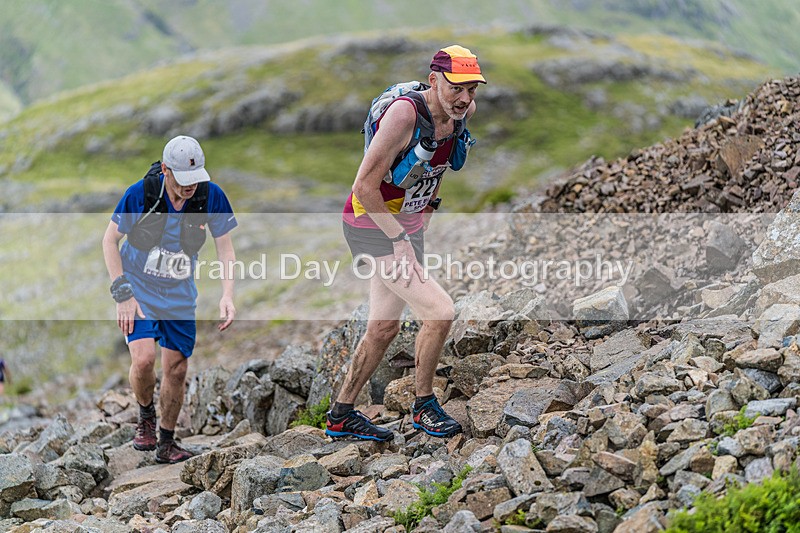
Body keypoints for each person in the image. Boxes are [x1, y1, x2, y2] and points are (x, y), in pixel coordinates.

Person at [330, 45, 486, 441]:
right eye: (456, 88)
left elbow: (440, 163)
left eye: (472, 89)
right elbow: (363, 186)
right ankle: (423, 406)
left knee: (382, 328)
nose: (465, 98)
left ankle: (340, 415)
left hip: (406, 225)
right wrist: (399, 238)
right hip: (372, 224)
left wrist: (430, 203)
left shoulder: (460, 115)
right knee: (440, 311)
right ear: (434, 81)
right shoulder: (404, 115)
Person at [102, 135, 237, 463]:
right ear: (165, 170)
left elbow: (225, 247)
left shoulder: (209, 195)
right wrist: (122, 294)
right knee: (145, 359)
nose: (191, 186)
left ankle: (166, 440)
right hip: (138, 289)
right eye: (184, 179)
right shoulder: (142, 194)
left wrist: (227, 295)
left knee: (176, 369)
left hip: (178, 294)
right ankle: (145, 414)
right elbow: (109, 241)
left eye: (196, 178)